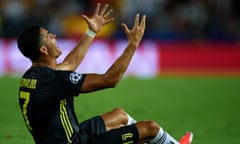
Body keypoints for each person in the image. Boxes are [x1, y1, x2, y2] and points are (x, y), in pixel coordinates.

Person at [17, 3, 193, 144]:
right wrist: (133, 45)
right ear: (43, 49)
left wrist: (91, 31)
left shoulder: (33, 76)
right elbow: (110, 80)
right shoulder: (54, 80)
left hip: (65, 137)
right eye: (49, 36)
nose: (54, 36)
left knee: (120, 116)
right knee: (150, 128)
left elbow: (70, 63)